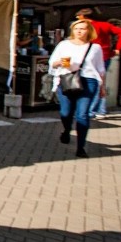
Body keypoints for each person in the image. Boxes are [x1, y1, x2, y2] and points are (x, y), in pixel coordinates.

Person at [48, 18, 105, 158]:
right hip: (67, 79)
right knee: (66, 113)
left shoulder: (95, 48)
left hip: (88, 81)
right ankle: (67, 130)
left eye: (83, 28)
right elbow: (52, 63)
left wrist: (103, 87)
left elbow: (100, 69)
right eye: (77, 28)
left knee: (82, 114)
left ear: (89, 31)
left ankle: (81, 147)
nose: (79, 31)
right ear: (72, 30)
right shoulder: (64, 45)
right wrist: (59, 62)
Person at [74, 8, 121, 119]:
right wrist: (117, 48)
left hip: (88, 58)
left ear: (83, 17)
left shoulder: (85, 28)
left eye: (78, 17)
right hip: (105, 56)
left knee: (90, 83)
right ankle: (100, 110)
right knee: (100, 83)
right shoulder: (105, 25)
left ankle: (91, 111)